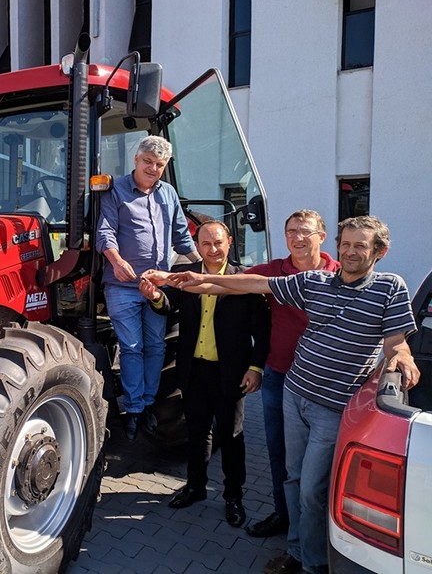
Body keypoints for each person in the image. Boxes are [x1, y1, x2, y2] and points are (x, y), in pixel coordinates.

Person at [147, 215, 420, 574]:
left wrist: (402, 356)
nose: (351, 251)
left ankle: (313, 561)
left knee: (311, 488)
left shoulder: (390, 287)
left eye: (360, 245)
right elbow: (254, 283)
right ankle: (296, 549)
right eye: (347, 244)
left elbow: (396, 341)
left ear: (379, 251)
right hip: (294, 392)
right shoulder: (314, 282)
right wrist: (192, 280)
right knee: (291, 476)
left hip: (333, 405)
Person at [139, 220, 270, 528]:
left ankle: (233, 496)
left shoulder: (244, 280)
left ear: (229, 243)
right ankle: (195, 487)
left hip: (231, 373)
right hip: (194, 370)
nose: (213, 249)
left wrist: (255, 368)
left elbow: (263, 330)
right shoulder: (186, 275)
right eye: (206, 244)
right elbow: (170, 306)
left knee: (231, 436)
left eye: (218, 243)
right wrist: (156, 297)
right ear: (197, 246)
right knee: (197, 433)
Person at [96, 135, 200, 440]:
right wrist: (116, 261)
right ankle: (134, 409)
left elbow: (181, 235)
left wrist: (203, 266)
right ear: (136, 159)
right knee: (131, 347)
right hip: (122, 284)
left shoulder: (168, 194)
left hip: (157, 285)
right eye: (148, 162)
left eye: (159, 164)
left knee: (156, 346)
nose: (153, 169)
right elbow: (105, 231)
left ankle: (149, 403)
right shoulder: (115, 190)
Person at [244, 210, 340, 538]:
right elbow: (231, 280)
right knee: (279, 452)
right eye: (291, 231)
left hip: (325, 385)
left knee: (322, 459)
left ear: (321, 237)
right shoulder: (274, 271)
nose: (298, 238)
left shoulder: (338, 275)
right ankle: (283, 514)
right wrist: (182, 279)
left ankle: (320, 526)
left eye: (305, 231)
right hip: (280, 377)